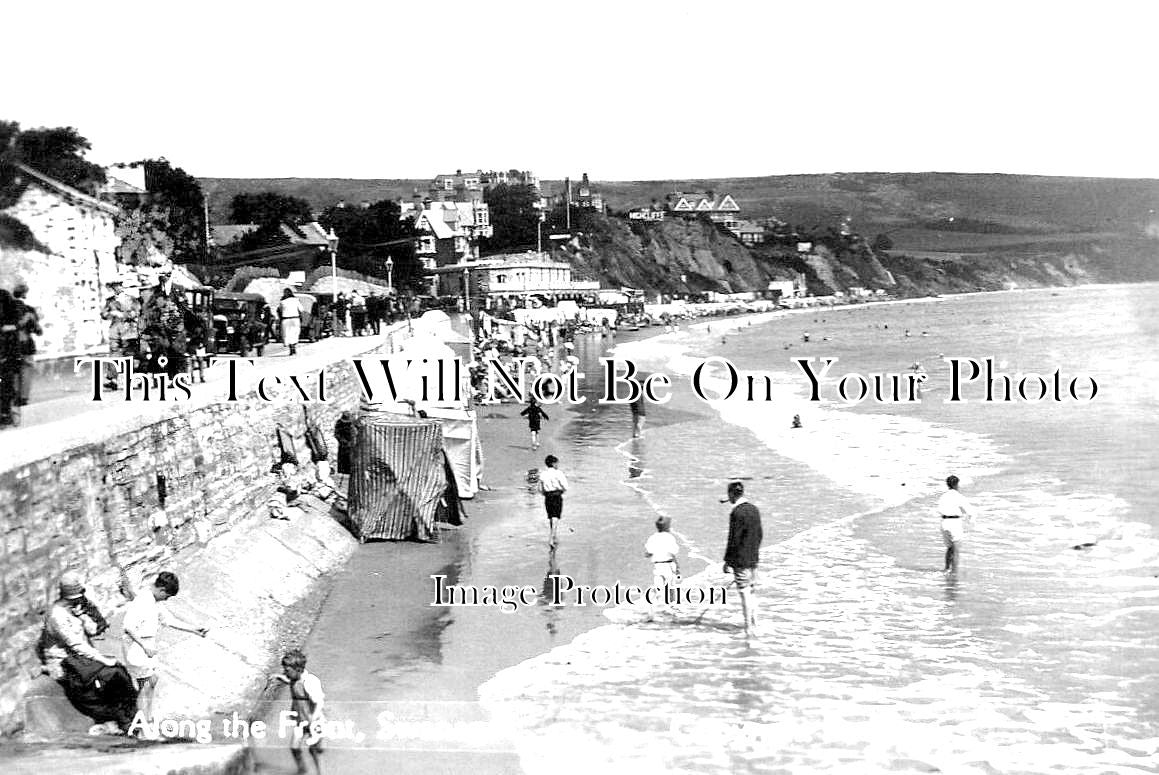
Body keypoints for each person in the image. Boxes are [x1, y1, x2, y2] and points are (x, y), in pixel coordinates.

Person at [38, 571, 138, 734]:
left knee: (120, 673)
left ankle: (131, 717)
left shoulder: (73, 609)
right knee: (110, 675)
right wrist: (103, 660)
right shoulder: (57, 615)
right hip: (65, 662)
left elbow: (92, 631)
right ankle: (124, 721)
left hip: (81, 659)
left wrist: (83, 616)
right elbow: (76, 645)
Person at [121, 571, 208, 733]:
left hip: (147, 645)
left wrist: (194, 629)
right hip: (137, 647)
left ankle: (147, 718)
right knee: (145, 685)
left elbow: (168, 620)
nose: (166, 599)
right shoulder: (142, 601)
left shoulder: (154, 601)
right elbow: (128, 626)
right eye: (167, 596)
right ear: (161, 590)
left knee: (152, 680)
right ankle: (142, 725)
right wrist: (143, 646)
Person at [272, 648, 325, 775]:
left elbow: (319, 702)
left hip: (314, 721)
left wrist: (313, 719)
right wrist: (279, 677)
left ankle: (322, 772)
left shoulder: (309, 682)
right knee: (294, 747)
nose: (285, 672)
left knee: (315, 752)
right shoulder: (295, 679)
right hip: (301, 721)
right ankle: (302, 769)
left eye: (287, 670)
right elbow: (291, 682)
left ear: (298, 669)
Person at [722, 481, 763, 638]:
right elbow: (759, 534)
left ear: (732, 494)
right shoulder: (754, 509)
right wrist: (754, 554)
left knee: (744, 593)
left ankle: (748, 629)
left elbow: (734, 539)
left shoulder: (736, 513)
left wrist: (728, 561)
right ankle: (755, 623)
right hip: (753, 558)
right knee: (752, 592)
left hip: (741, 560)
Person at [101, 277, 141, 391]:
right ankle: (112, 380)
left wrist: (122, 314)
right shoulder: (110, 300)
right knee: (114, 354)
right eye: (114, 286)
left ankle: (135, 379)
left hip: (129, 331)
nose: (116, 288)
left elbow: (136, 313)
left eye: (118, 285)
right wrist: (111, 314)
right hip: (115, 330)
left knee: (131, 356)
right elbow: (103, 314)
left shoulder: (132, 300)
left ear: (122, 286)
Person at [12, 280, 42, 406]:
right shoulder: (29, 310)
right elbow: (38, 330)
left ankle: (14, 396)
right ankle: (23, 397)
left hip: (10, 344)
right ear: (25, 294)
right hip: (26, 344)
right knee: (26, 369)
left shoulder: (6, 308)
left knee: (13, 370)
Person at [644, 516, 680, 620]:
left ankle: (651, 610)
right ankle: (672, 609)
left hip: (657, 565)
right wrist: (677, 567)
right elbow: (674, 553)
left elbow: (648, 553)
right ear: (666, 527)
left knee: (658, 588)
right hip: (668, 564)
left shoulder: (652, 538)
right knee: (671, 587)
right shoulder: (669, 537)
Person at [937, 474, 972, 573]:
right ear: (957, 484)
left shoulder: (943, 497)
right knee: (956, 550)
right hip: (955, 523)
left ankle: (946, 568)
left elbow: (939, 509)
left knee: (949, 548)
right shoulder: (959, 496)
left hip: (944, 522)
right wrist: (971, 521)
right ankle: (954, 572)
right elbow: (969, 511)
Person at [538, 454, 568, 546]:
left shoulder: (543, 474)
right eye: (557, 463)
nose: (557, 465)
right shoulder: (558, 473)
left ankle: (554, 536)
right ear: (554, 463)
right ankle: (551, 537)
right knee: (556, 516)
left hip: (548, 496)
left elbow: (540, 488)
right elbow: (565, 486)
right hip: (557, 495)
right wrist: (561, 491)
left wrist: (545, 494)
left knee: (551, 516)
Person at [0, 289, 20, 426]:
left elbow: (13, 323)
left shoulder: (4, 296)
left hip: (5, 349)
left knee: (6, 382)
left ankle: (6, 413)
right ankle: (6, 413)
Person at [279, 289, 302, 356]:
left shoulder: (282, 301)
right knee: (295, 333)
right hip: (295, 318)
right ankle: (293, 346)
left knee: (287, 334)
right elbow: (301, 309)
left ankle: (291, 348)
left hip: (285, 319)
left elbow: (280, 310)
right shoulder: (296, 300)